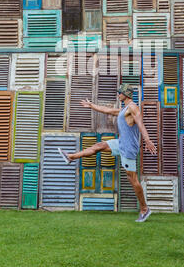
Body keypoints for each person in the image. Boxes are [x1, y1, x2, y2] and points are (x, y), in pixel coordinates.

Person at [58, 83, 157, 223]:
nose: (118, 94)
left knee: (133, 180)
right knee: (99, 145)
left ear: (126, 94)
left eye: (120, 92)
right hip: (121, 143)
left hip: (128, 148)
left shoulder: (133, 107)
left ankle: (144, 209)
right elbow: (108, 110)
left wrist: (147, 139)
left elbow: (140, 122)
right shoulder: (124, 110)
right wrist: (92, 106)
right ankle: (70, 157)